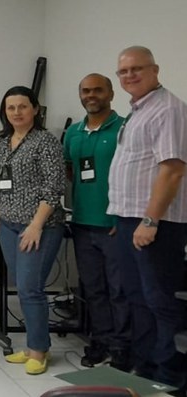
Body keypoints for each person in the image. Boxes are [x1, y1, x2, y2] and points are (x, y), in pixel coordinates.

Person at [107, 46, 187, 393]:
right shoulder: (138, 111)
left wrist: (150, 221)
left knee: (159, 300)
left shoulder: (168, 109)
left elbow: (172, 170)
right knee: (137, 297)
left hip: (157, 225)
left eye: (137, 69)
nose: (129, 76)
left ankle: (171, 377)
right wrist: (121, 217)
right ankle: (147, 366)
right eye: (123, 71)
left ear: (155, 70)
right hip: (130, 221)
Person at [0, 86, 66, 375]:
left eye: (22, 106)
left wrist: (36, 225)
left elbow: (54, 187)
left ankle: (39, 350)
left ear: (35, 109)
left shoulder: (46, 142)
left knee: (30, 288)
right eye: (11, 108)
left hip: (39, 227)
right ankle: (32, 345)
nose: (16, 113)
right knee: (23, 289)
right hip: (8, 225)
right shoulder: (3, 142)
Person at [63, 73, 131, 369]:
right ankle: (100, 341)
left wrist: (123, 215)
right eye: (86, 91)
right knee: (93, 288)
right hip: (82, 223)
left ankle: (123, 348)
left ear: (111, 94)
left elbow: (135, 174)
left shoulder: (124, 128)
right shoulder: (73, 133)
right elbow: (70, 171)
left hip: (115, 223)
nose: (91, 95)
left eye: (98, 90)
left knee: (120, 290)